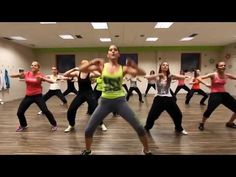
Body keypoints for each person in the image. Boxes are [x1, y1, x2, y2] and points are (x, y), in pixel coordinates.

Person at [78, 44, 152, 155]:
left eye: (115, 50)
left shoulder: (123, 68)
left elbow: (143, 73)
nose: (113, 51)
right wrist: (93, 61)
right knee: (88, 129)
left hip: (120, 102)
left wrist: (134, 65)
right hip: (104, 102)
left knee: (140, 128)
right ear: (108, 54)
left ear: (118, 54)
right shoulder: (102, 67)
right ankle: (88, 151)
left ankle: (147, 150)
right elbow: (81, 69)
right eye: (110, 50)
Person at [10, 61, 58, 132]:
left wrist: (42, 79)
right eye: (32, 65)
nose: (33, 66)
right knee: (20, 112)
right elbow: (12, 75)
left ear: (38, 67)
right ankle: (23, 125)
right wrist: (18, 74)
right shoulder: (27, 74)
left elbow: (52, 81)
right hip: (28, 96)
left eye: (35, 65)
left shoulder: (40, 75)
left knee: (45, 110)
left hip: (38, 96)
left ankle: (54, 124)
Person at [144, 61, 189, 135]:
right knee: (152, 115)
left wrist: (174, 75)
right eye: (163, 65)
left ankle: (178, 128)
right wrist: (158, 74)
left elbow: (182, 77)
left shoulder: (170, 76)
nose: (165, 66)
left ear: (168, 67)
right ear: (160, 67)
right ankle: (146, 128)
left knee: (178, 114)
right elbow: (146, 77)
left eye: (167, 65)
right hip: (159, 98)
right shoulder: (157, 76)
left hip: (169, 98)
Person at [63, 60, 107, 133]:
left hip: (89, 93)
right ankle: (71, 125)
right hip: (80, 94)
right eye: (83, 64)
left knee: (95, 109)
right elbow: (65, 74)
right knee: (71, 110)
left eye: (87, 65)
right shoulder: (78, 73)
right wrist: (74, 69)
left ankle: (101, 124)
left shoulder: (90, 74)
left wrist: (91, 69)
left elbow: (99, 75)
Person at [198, 61, 236, 130]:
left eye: (224, 65)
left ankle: (230, 123)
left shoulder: (227, 75)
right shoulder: (213, 75)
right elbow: (199, 78)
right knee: (209, 110)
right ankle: (202, 123)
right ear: (217, 67)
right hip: (215, 94)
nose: (223, 67)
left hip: (224, 94)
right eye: (221, 65)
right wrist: (206, 84)